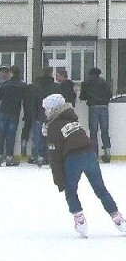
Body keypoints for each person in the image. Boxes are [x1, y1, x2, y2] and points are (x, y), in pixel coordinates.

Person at [41, 93, 125, 238]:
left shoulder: (54, 126)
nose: (44, 112)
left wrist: (60, 181)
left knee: (70, 190)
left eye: (46, 109)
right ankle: (118, 219)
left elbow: (55, 157)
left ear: (53, 109)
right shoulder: (72, 120)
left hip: (74, 158)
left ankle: (80, 222)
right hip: (90, 154)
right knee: (100, 189)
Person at [0, 65, 28, 166]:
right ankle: (9, 156)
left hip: (3, 111)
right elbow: (26, 99)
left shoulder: (5, 84)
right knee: (11, 135)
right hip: (15, 112)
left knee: (1, 133)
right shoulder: (23, 86)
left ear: (11, 73)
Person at [79, 67, 113, 163]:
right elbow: (110, 94)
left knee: (93, 131)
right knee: (104, 130)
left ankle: (94, 153)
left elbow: (82, 96)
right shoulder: (103, 82)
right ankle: (107, 152)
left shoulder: (86, 83)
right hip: (104, 107)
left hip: (93, 107)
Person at [27, 66, 59, 166]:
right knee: (51, 137)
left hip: (39, 115)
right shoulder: (55, 87)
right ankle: (49, 156)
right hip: (52, 116)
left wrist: (34, 114)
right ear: (51, 74)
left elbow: (33, 102)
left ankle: (38, 155)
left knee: (38, 137)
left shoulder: (36, 86)